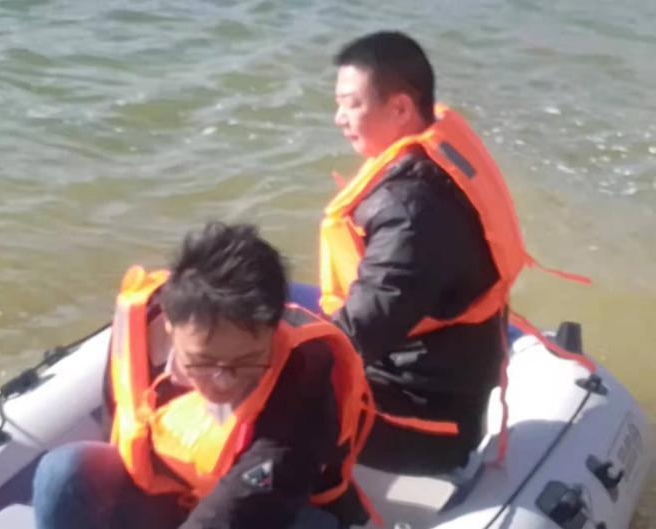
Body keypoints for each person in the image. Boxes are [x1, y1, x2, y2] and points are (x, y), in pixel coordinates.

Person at [32, 222, 375, 529]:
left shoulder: (306, 371)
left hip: (268, 506)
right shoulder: (139, 338)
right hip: (168, 493)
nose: (224, 381)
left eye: (248, 361)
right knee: (62, 471)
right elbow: (118, 429)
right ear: (169, 325)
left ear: (274, 331)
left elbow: (259, 491)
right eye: (204, 362)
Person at [319, 31, 533, 474]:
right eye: (338, 104)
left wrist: (258, 369)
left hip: (428, 422)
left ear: (400, 108)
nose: (339, 118)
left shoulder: (411, 212)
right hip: (424, 379)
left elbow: (361, 329)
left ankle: (327, 506)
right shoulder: (427, 164)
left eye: (351, 104)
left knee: (274, 406)